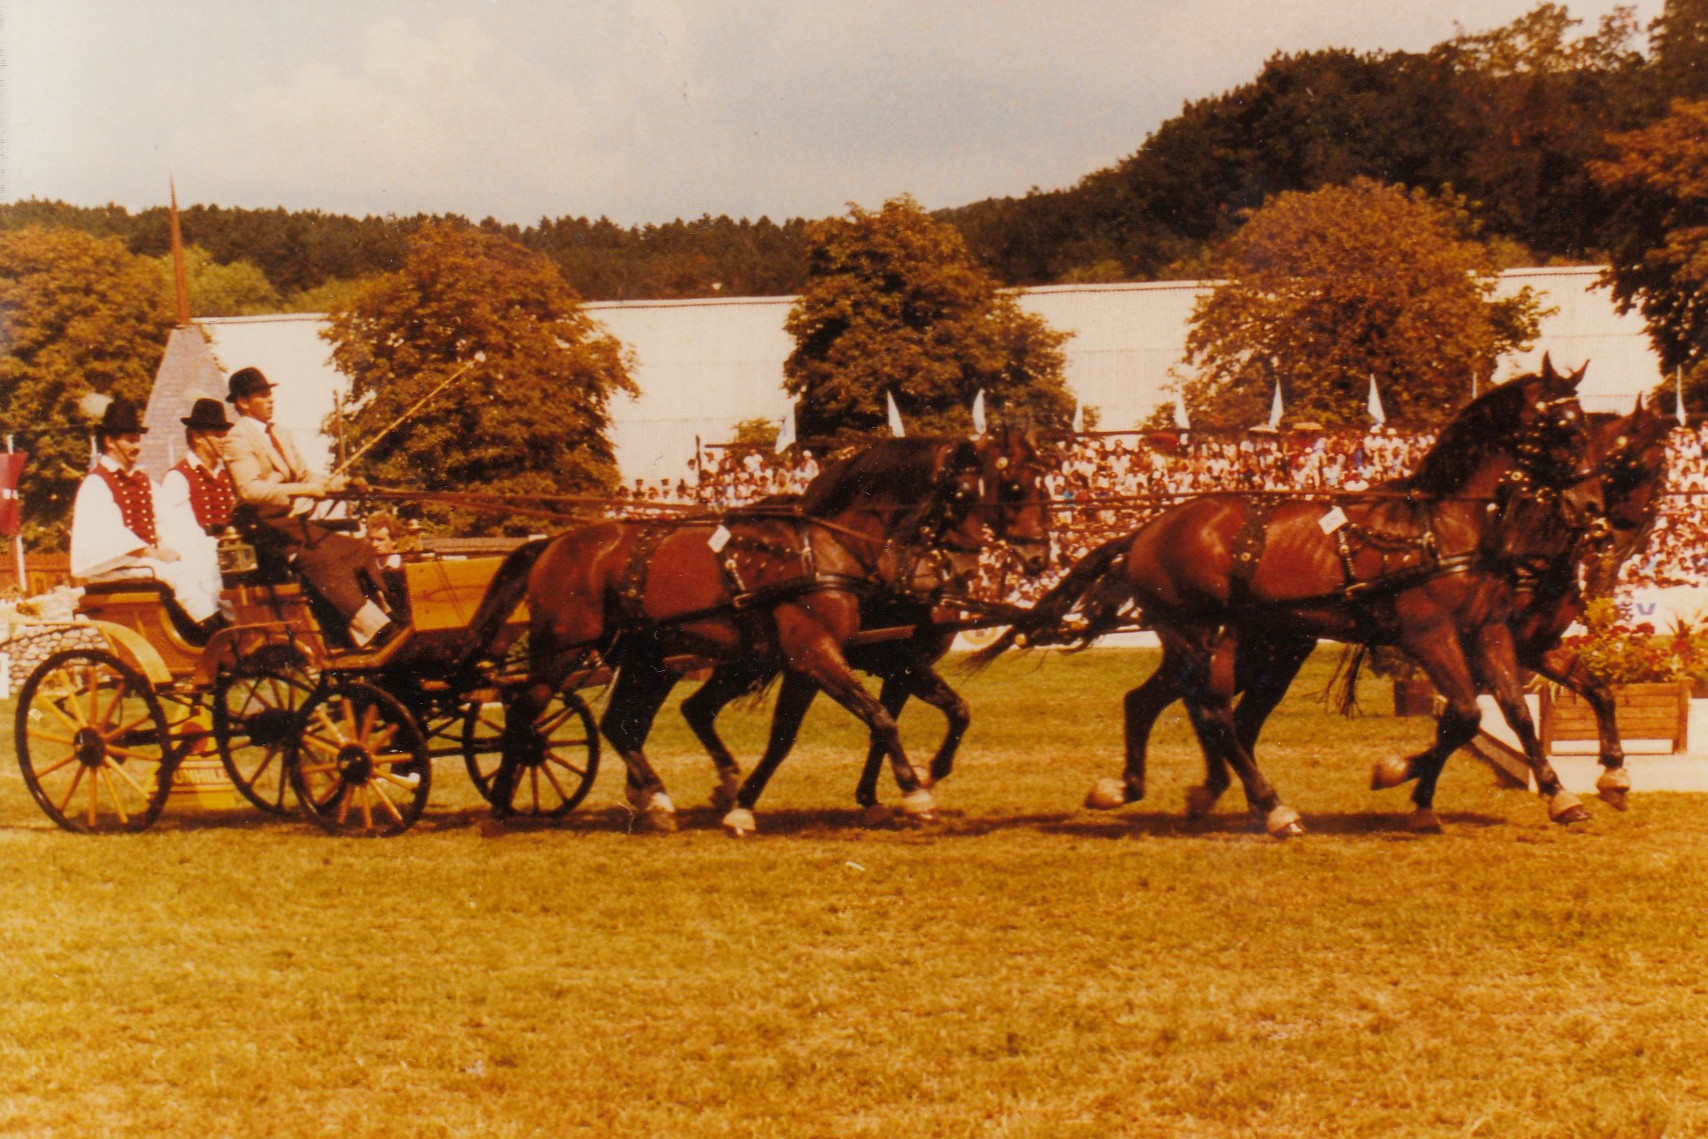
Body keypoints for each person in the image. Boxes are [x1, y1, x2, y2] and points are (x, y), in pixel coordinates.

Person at [221, 366, 397, 649]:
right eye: (262, 395)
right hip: (263, 530)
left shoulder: (280, 432)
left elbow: (306, 477)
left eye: (270, 394)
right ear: (242, 402)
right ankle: (376, 632)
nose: (270, 400)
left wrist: (345, 483)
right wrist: (303, 491)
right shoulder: (237, 439)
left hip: (292, 525)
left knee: (359, 550)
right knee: (324, 561)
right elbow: (249, 489)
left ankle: (389, 616)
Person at [69, 397, 222, 626]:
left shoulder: (144, 482)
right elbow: (106, 536)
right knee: (175, 573)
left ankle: (213, 626)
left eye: (138, 440)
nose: (137, 447)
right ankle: (210, 626)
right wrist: (152, 553)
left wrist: (189, 549)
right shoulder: (96, 483)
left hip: (140, 564)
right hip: (115, 566)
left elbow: (168, 520)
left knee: (202, 564)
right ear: (110, 441)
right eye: (130, 440)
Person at [157, 398, 238, 625]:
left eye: (225, 434)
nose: (224, 440)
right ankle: (219, 630)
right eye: (218, 434)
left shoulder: (228, 474)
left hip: (233, 552)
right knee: (207, 580)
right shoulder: (178, 477)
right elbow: (177, 533)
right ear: (198, 437)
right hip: (201, 555)